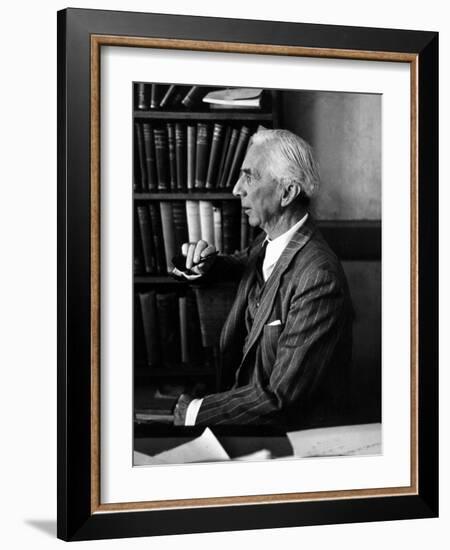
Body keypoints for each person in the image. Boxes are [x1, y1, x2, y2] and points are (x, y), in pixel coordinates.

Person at [173, 129, 353, 430]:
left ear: (287, 192)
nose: (235, 189)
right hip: (250, 421)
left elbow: (283, 398)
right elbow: (242, 264)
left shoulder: (319, 279)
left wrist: (195, 413)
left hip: (294, 439)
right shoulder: (269, 241)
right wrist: (202, 263)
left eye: (249, 177)